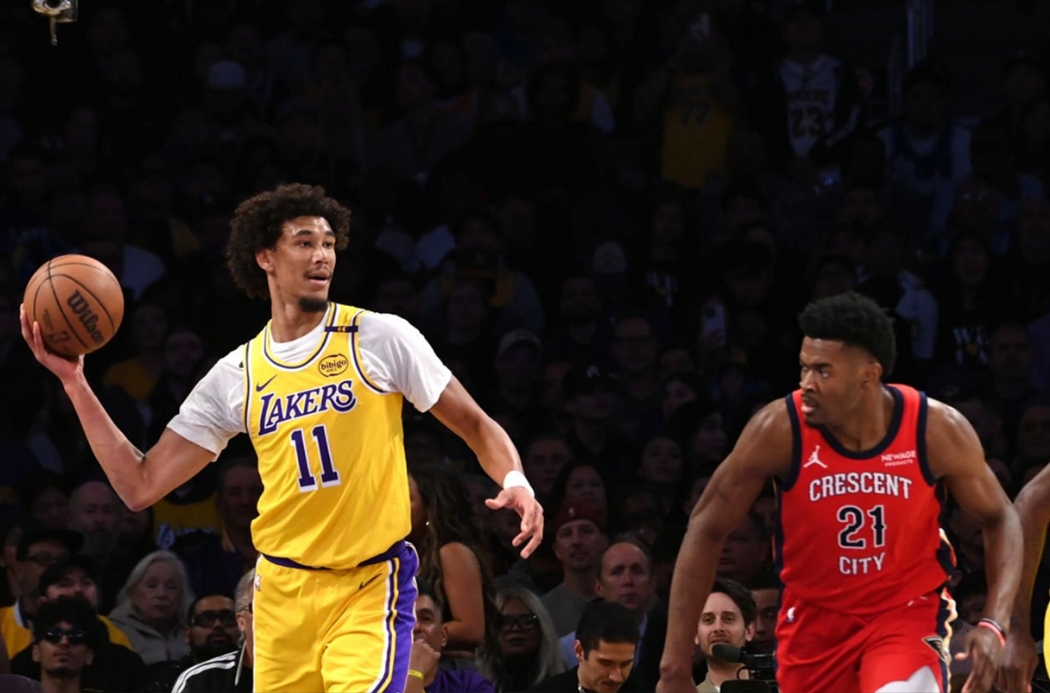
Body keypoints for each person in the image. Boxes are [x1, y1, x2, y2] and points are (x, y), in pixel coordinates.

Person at [20, 182, 544, 693]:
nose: (322, 256)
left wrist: (515, 480)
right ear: (265, 256)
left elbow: (476, 424)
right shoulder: (237, 373)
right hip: (280, 593)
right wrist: (75, 383)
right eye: (305, 242)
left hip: (367, 585)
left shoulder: (378, 337)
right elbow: (140, 485)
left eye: (329, 244)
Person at [656, 292, 1022, 693]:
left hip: (905, 615)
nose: (807, 384)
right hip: (813, 623)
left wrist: (995, 622)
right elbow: (706, 527)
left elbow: (1001, 516)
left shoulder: (934, 429)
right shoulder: (779, 429)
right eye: (804, 368)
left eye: (823, 371)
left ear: (869, 374)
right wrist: (674, 665)